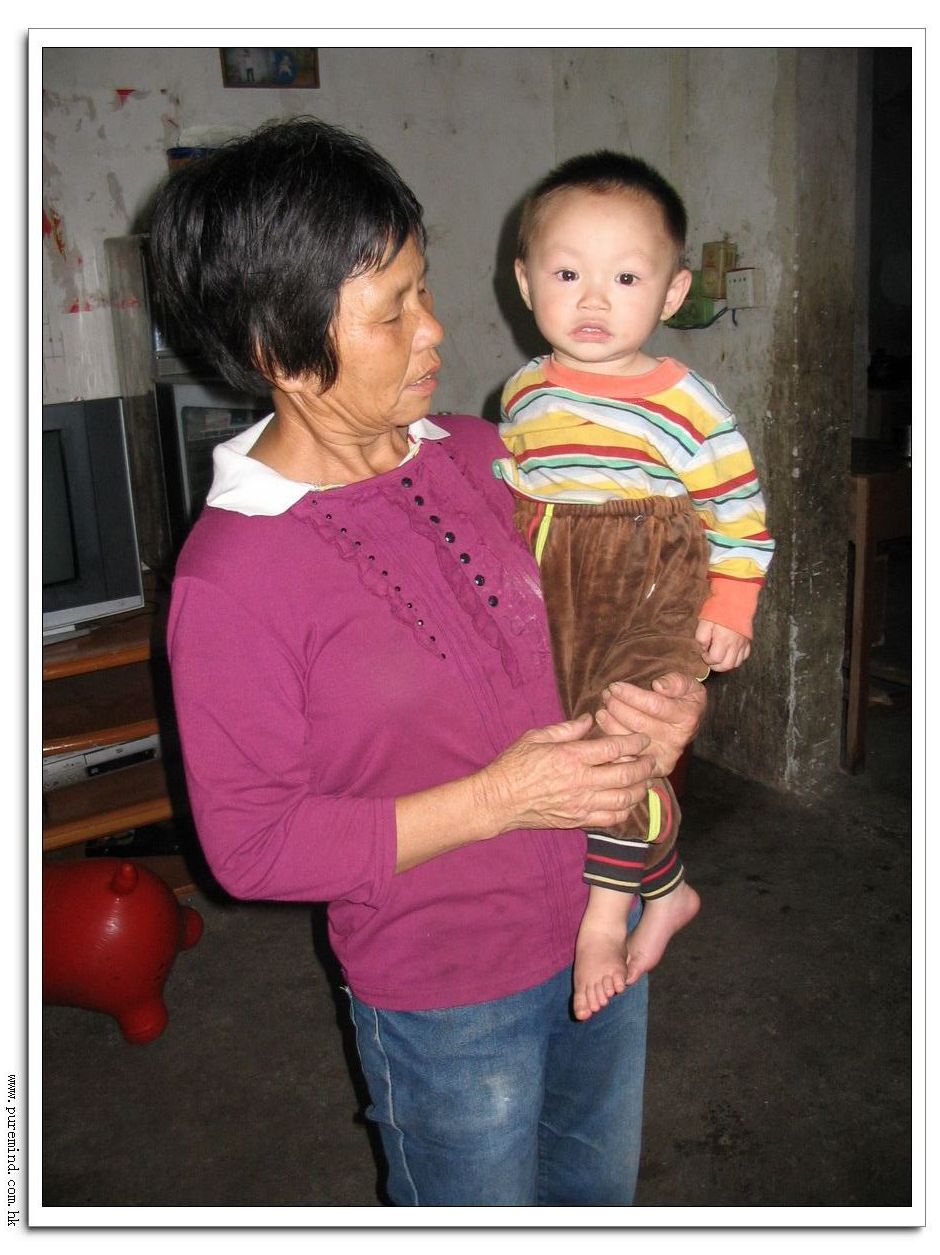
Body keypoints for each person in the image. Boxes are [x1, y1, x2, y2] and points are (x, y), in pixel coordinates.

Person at [148, 117, 705, 1208]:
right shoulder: (232, 577)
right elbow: (251, 847)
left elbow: (627, 617)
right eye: (391, 309)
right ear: (276, 350)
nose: (437, 329)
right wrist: (501, 798)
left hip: (605, 925)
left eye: (425, 287)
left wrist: (677, 696)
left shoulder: (497, 455)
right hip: (450, 998)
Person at [494, 151, 774, 1022]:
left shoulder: (685, 400)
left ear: (673, 291)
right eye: (566, 274)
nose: (592, 299)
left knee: (623, 741)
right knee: (574, 741)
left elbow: (739, 508)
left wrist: (732, 603)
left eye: (624, 277)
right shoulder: (522, 392)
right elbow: (515, 492)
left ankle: (603, 921)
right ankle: (667, 886)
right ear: (524, 281)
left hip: (651, 580)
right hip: (556, 588)